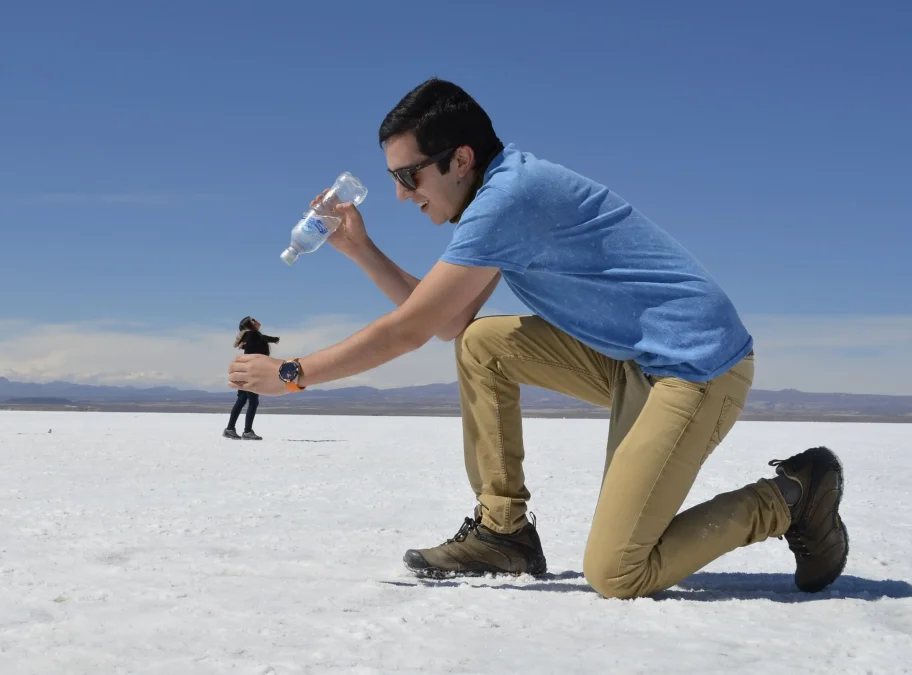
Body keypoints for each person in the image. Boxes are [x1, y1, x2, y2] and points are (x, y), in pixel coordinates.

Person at [227, 78, 847, 598]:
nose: (400, 194)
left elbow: (411, 329)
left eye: (409, 175)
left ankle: (792, 497)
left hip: (697, 368)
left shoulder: (509, 199)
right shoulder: (498, 198)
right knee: (483, 344)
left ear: (460, 159)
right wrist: (361, 249)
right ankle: (503, 534)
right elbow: (449, 323)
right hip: (633, 364)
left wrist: (293, 374)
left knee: (618, 571)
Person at [224, 316, 279, 440]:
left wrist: (245, 345)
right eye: (253, 320)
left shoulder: (251, 336)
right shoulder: (252, 335)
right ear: (249, 325)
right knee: (253, 401)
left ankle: (230, 429)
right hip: (250, 372)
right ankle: (247, 431)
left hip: (245, 370)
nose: (256, 320)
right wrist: (274, 339)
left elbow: (255, 343)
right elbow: (261, 340)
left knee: (242, 400)